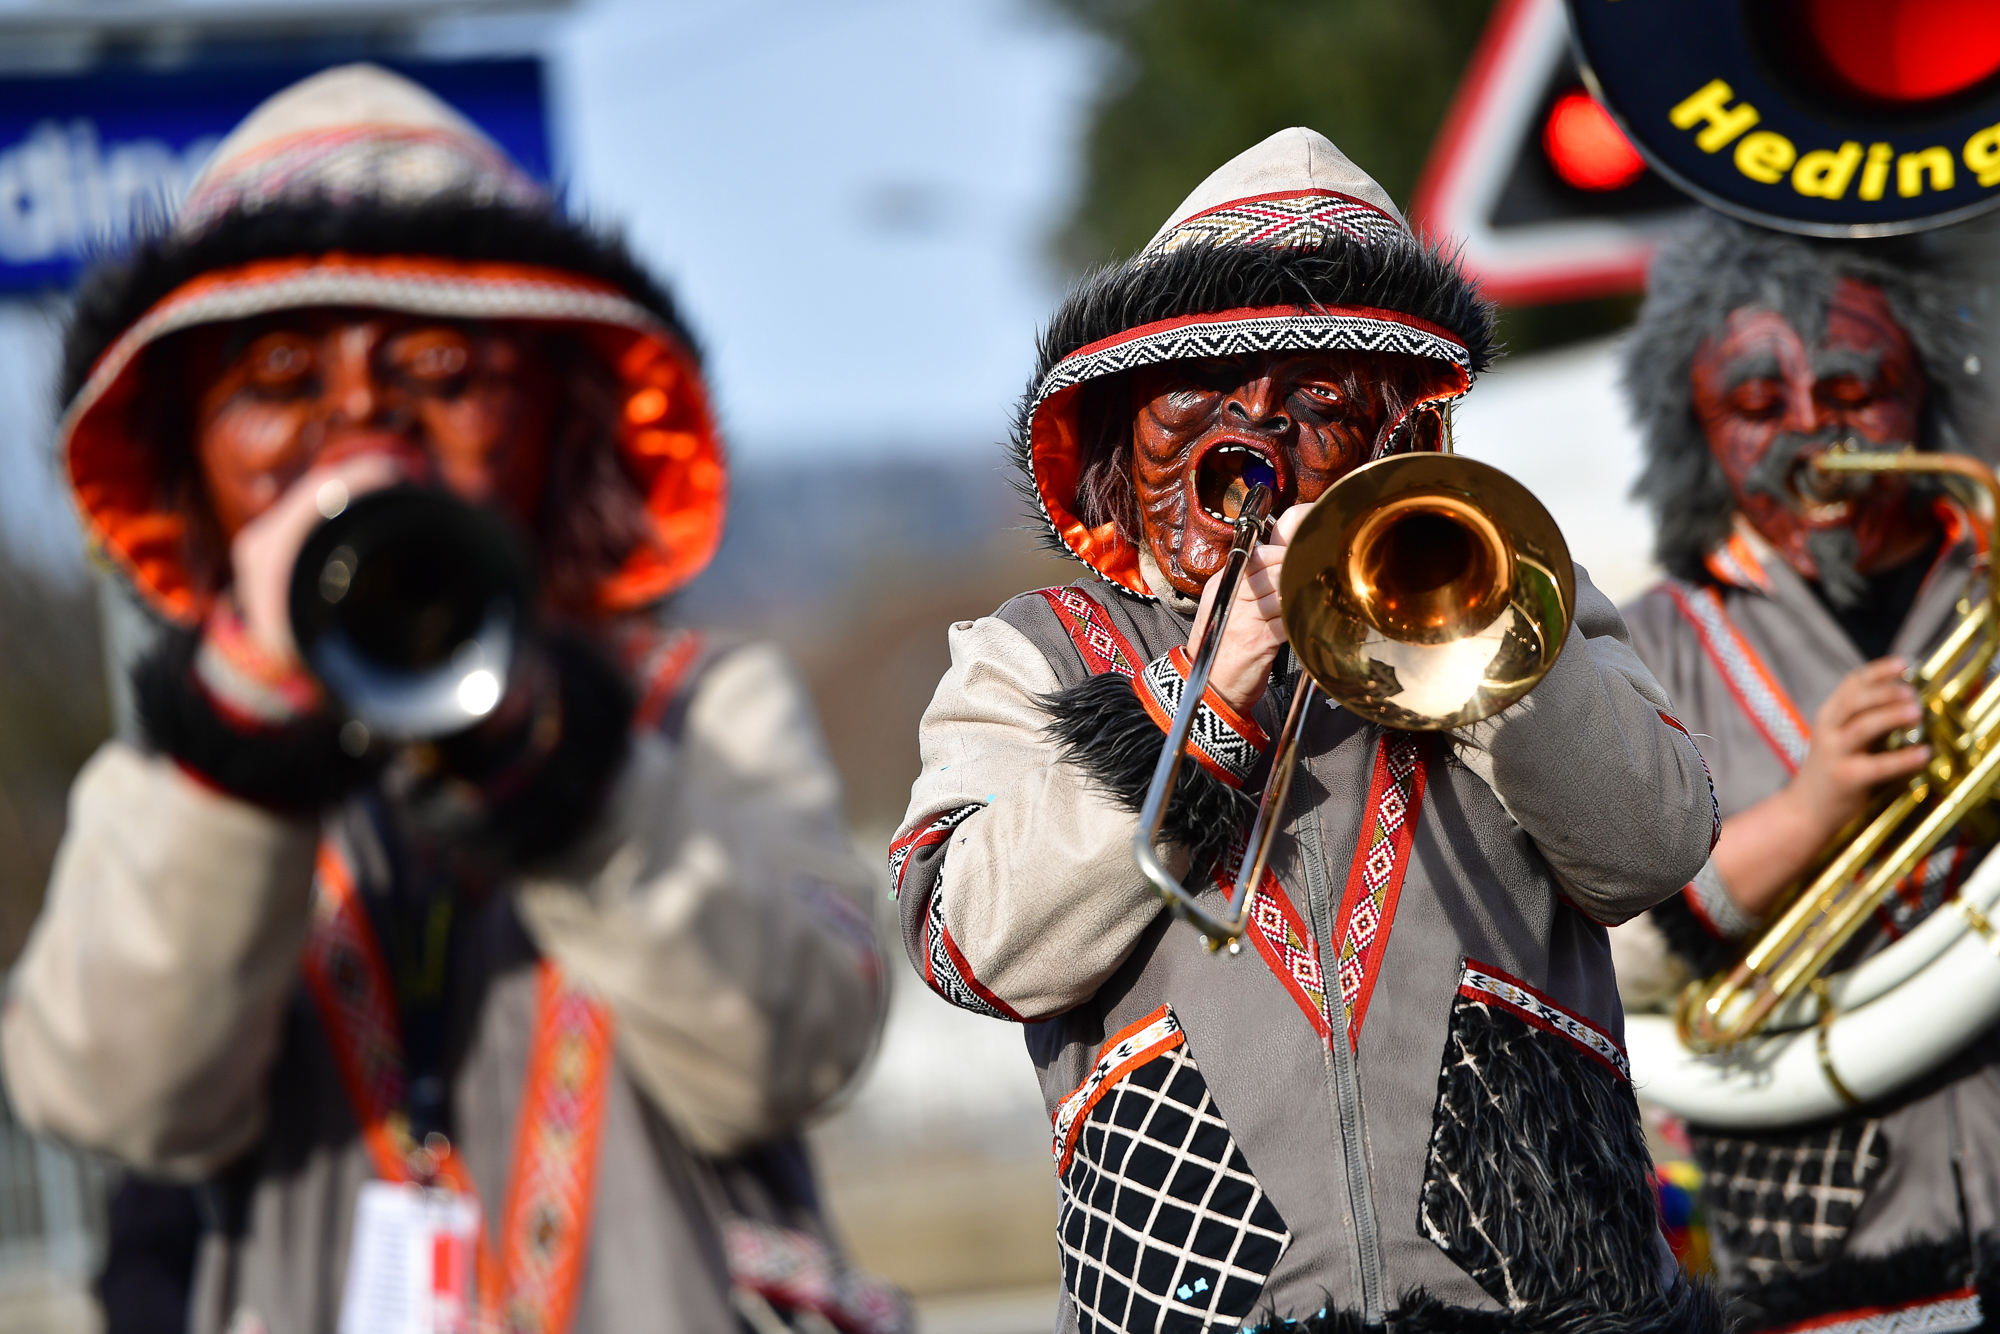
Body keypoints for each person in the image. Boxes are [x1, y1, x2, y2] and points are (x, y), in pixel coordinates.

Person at [0, 64, 897, 1334]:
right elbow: (111, 1096)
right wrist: (243, 749)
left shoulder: (699, 708)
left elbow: (793, 1054)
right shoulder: (172, 772)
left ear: (555, 425)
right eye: (276, 379)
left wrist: (567, 772)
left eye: (438, 366)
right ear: (190, 467)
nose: (362, 424)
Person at [890, 126, 1721, 1333]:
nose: (1259, 435)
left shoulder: (1518, 588)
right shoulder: (1030, 649)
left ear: (1399, 436)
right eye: (1207, 396)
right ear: (1125, 433)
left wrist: (1458, 638)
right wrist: (1205, 689)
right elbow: (969, 945)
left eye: (1317, 398)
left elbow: (1651, 841)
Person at [1619, 215, 1997, 1334]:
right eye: (1755, 405)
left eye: (1852, 389)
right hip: (1822, 1262)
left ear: (1922, 388)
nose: (1810, 434)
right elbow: (1607, 949)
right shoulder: (1637, 648)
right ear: (1693, 429)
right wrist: (1817, 802)